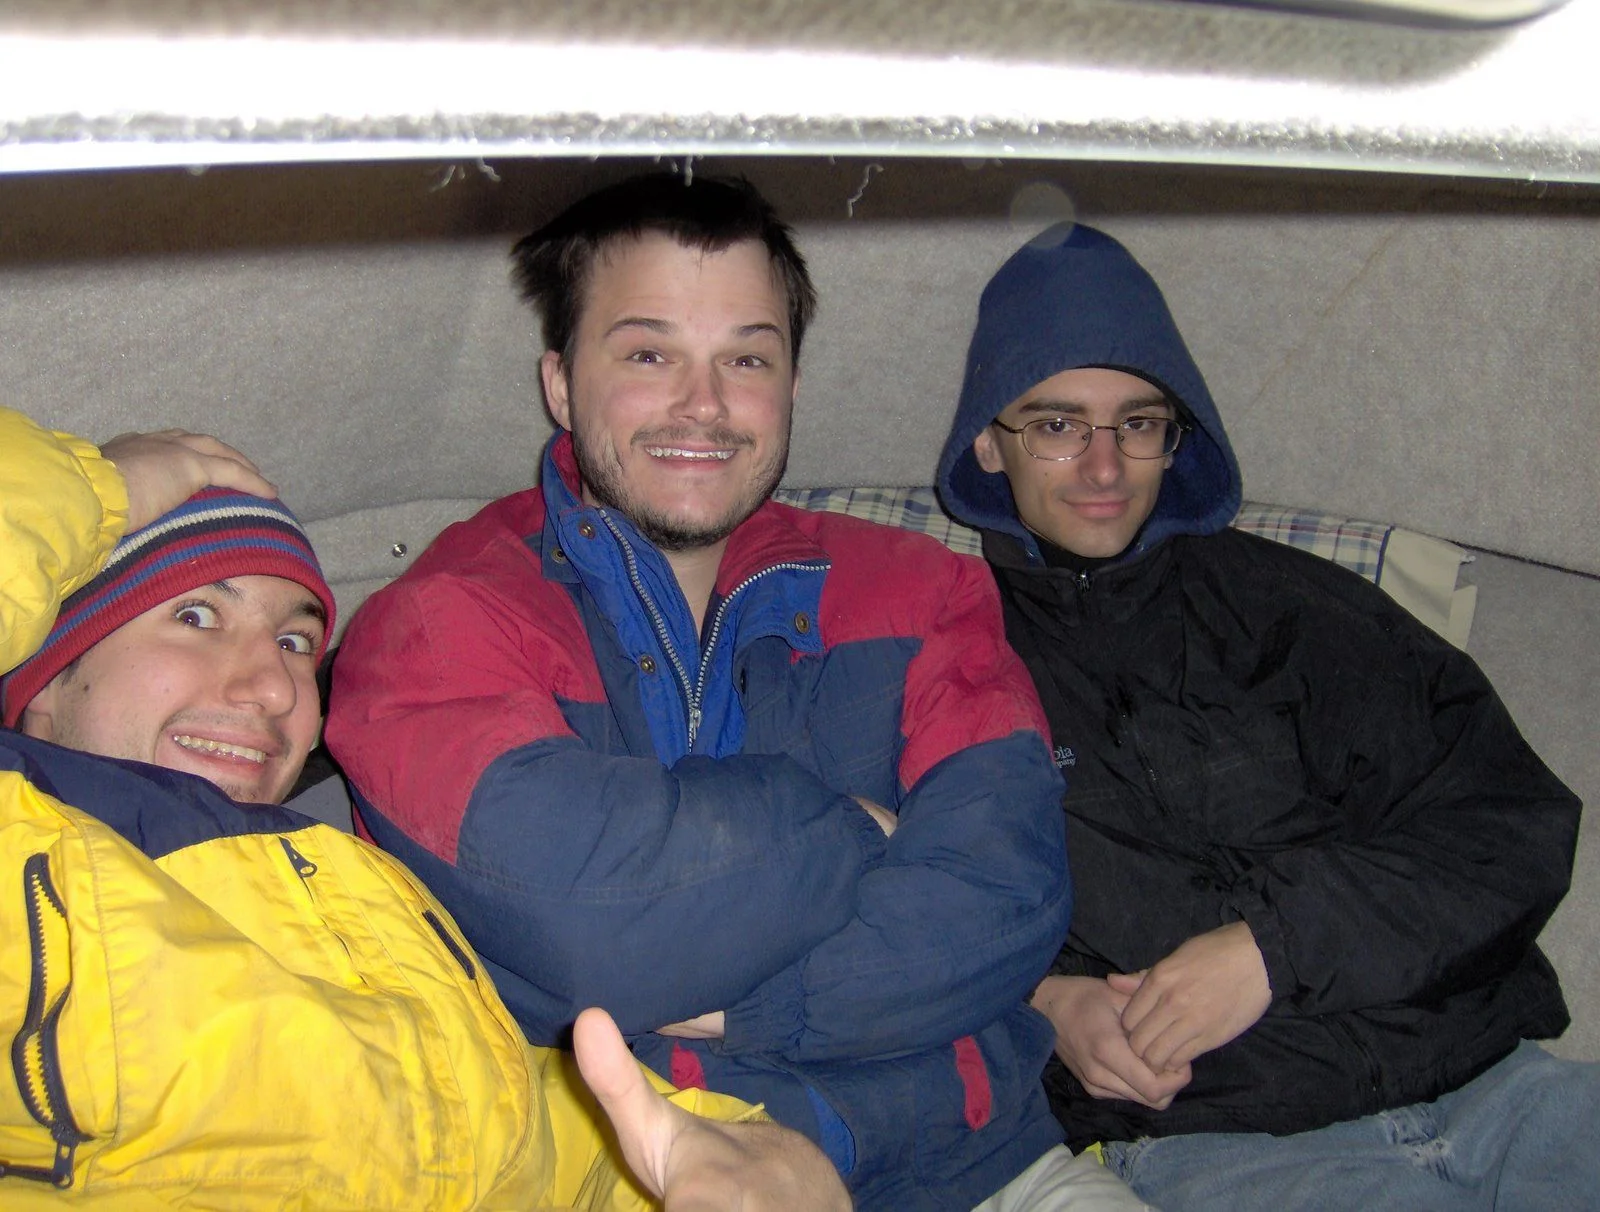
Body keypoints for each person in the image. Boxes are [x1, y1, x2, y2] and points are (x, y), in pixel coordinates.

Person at [327, 174, 1146, 1210]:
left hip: (979, 1173)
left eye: (746, 358)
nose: (702, 405)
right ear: (560, 383)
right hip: (624, 1173)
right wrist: (856, 828)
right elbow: (586, 922)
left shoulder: (923, 589)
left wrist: (738, 1012)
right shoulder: (437, 621)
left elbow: (1006, 897)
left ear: (792, 384)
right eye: (647, 354)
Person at [0, 406, 847, 1210]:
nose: (271, 686)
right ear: (45, 677)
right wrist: (102, 483)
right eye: (195, 615)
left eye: (295, 642)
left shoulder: (382, 905)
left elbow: (529, 1137)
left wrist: (742, 1151)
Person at [934, 221, 1599, 1210]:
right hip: (1224, 1144)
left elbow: (1508, 828)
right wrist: (1043, 1008)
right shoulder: (948, 658)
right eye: (1059, 423)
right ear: (990, 441)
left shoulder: (1298, 609)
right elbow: (897, 908)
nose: (1104, 466)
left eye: (1139, 423)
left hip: (1500, 1089)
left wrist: (1268, 949)